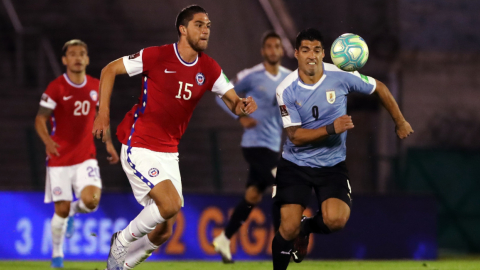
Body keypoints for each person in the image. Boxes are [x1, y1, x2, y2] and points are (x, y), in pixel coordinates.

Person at [92, 5, 257, 270]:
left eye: (208, 26)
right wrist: (103, 114)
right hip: (140, 143)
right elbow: (109, 70)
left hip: (169, 151)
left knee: (164, 231)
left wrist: (243, 105)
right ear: (183, 29)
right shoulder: (157, 56)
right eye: (199, 25)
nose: (205, 31)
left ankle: (122, 267)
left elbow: (233, 101)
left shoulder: (210, 68)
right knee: (170, 204)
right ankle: (120, 242)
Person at [271, 28, 414, 270]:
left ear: (324, 53)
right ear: (296, 54)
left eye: (317, 50)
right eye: (305, 50)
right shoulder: (286, 89)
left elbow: (379, 87)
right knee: (287, 227)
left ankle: (306, 228)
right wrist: (331, 128)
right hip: (296, 165)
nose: (311, 56)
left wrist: (400, 121)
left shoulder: (340, 76)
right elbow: (295, 136)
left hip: (331, 166)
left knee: (336, 221)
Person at [34, 39, 119, 268]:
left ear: (87, 59)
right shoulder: (56, 88)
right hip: (59, 158)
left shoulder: (95, 86)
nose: (78, 57)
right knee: (59, 211)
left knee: (91, 201)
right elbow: (40, 119)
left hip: (85, 157)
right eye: (72, 54)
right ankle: (57, 256)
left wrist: (108, 143)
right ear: (65, 60)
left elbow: (102, 118)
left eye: (82, 53)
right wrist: (47, 141)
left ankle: (74, 209)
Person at [212, 31, 291, 263]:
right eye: (269, 46)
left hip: (273, 145)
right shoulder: (251, 75)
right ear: (263, 51)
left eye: (277, 46)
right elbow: (220, 95)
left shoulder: (289, 78)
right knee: (280, 184)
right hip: (254, 145)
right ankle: (282, 246)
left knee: (253, 196)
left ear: (281, 50)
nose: (273, 50)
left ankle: (224, 239)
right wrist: (240, 117)